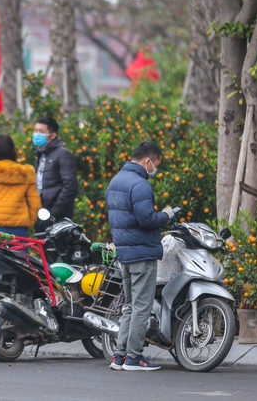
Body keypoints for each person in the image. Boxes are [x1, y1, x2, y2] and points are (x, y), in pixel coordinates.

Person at [105, 141, 175, 371]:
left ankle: (119, 356)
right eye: (156, 164)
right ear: (148, 161)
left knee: (129, 306)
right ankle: (134, 358)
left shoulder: (116, 181)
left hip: (124, 252)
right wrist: (165, 216)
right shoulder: (140, 185)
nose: (155, 169)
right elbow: (146, 219)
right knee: (142, 307)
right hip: (142, 253)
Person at [0, 134, 42, 237]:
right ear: (13, 150)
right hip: (20, 229)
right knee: (20, 254)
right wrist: (29, 222)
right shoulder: (25, 173)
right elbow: (35, 204)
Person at [33, 117, 78, 230]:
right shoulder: (40, 154)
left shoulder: (63, 154)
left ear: (53, 136)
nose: (37, 134)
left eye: (42, 131)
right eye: (35, 130)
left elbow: (70, 187)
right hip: (42, 214)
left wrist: (53, 214)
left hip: (57, 217)